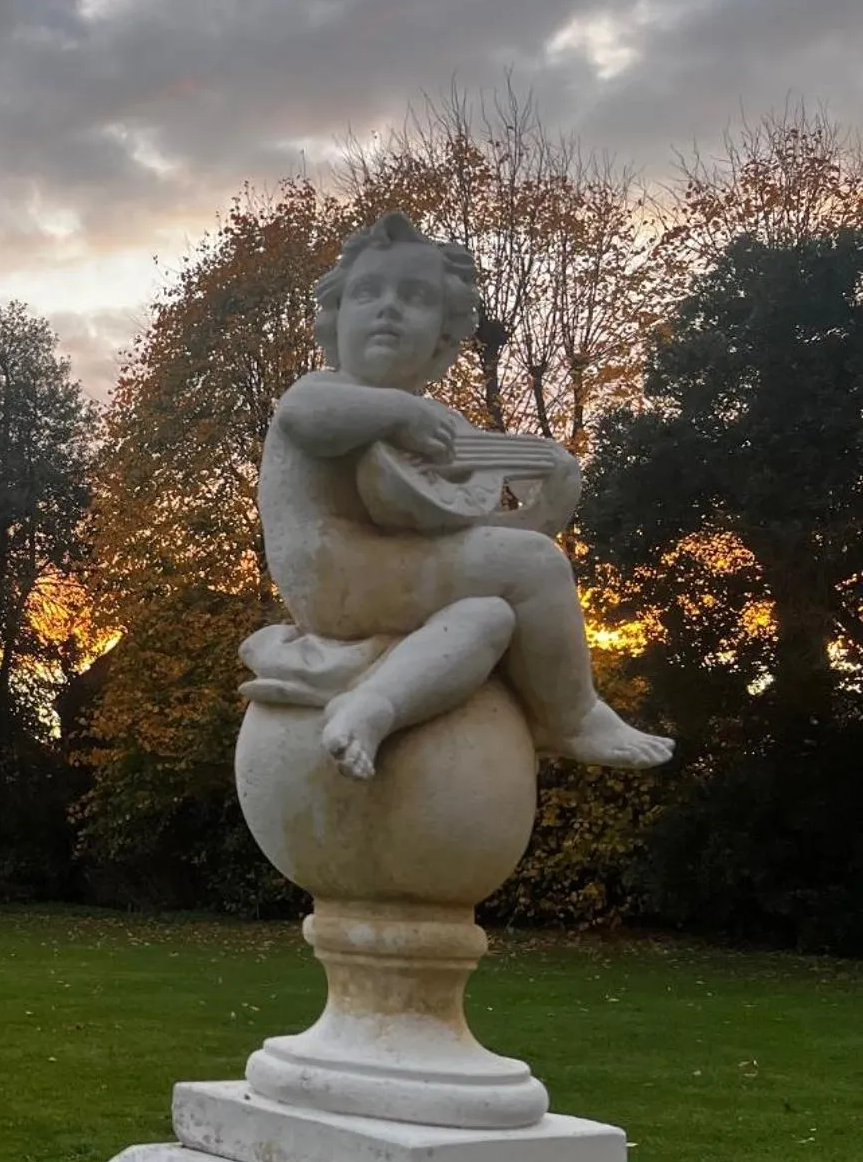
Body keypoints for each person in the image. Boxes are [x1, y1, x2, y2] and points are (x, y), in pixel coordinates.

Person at [246, 211, 673, 780]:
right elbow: (305, 418)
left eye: (415, 296)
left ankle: (373, 705)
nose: (389, 306)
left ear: (444, 339)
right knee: (533, 567)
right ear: (335, 320)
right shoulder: (326, 391)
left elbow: (467, 540)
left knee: (488, 616)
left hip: (388, 578)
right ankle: (571, 716)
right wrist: (401, 409)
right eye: (368, 292)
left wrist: (545, 510)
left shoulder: (439, 431)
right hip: (333, 573)